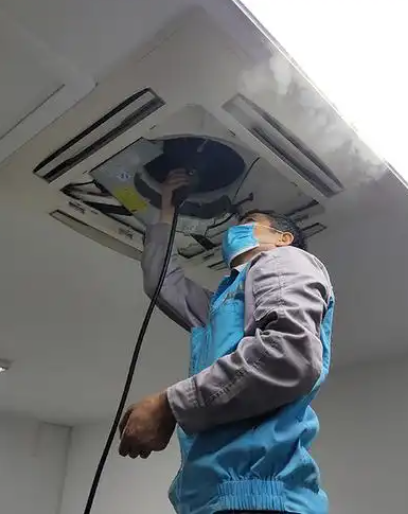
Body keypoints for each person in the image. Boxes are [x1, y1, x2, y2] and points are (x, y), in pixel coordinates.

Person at [119, 169, 335, 514]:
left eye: (248, 222)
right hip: (212, 498)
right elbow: (161, 281)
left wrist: (169, 404)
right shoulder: (222, 303)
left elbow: (286, 355)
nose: (234, 231)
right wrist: (167, 211)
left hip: (258, 498)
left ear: (283, 238)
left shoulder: (283, 258)